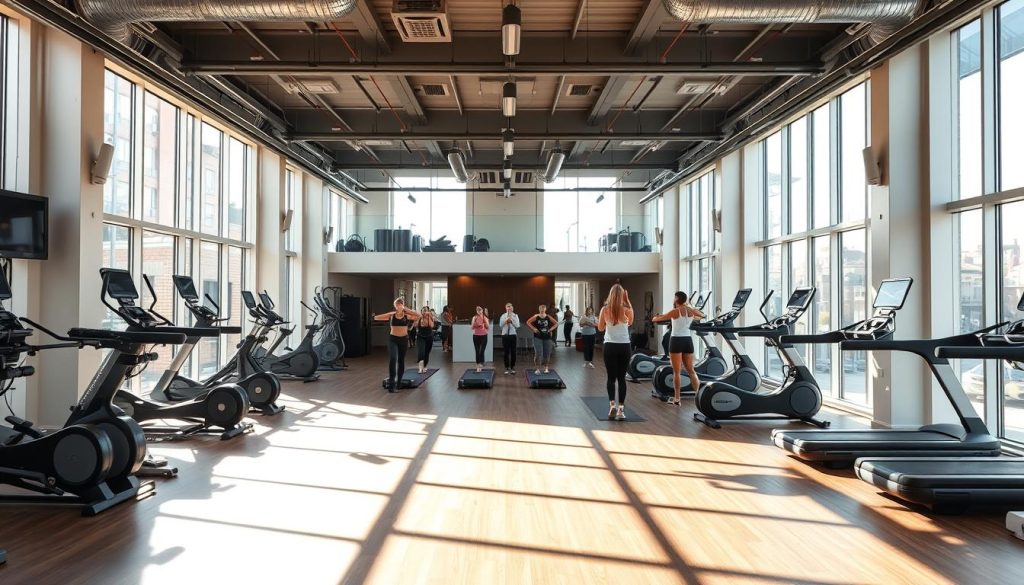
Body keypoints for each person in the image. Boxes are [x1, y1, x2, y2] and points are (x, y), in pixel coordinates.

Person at [652, 291, 705, 405]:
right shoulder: (690, 311)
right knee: (691, 370)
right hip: (688, 341)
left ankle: (677, 399)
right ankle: (700, 396)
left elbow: (656, 319)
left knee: (677, 372)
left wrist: (656, 316)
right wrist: (690, 308)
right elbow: (702, 315)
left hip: (676, 341)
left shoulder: (675, 311)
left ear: (676, 299)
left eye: (674, 297)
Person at [598, 284, 634, 420]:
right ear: (622, 296)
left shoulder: (604, 309)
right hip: (624, 346)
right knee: (622, 379)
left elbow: (601, 328)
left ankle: (612, 405)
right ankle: (621, 410)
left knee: (611, 378)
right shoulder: (627, 309)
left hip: (610, 346)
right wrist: (628, 301)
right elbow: (630, 323)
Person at [373, 298, 422, 392]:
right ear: (395, 306)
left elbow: (419, 316)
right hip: (393, 340)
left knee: (401, 361)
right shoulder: (391, 315)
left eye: (400, 304)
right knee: (393, 359)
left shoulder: (407, 316)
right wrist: (374, 315)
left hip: (403, 340)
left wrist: (407, 309)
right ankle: (391, 385)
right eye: (397, 305)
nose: (399, 306)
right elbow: (376, 318)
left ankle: (399, 384)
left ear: (403, 305)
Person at [527, 305, 555, 374]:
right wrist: (534, 328)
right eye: (541, 309)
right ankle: (537, 369)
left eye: (543, 308)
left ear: (545, 309)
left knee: (547, 353)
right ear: (539, 309)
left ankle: (546, 368)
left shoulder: (548, 317)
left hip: (547, 337)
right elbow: (528, 322)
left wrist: (550, 329)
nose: (542, 310)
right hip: (538, 337)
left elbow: (556, 323)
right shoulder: (536, 316)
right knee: (538, 353)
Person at [498, 302, 521, 375]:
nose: (509, 308)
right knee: (506, 352)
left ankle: (512, 367)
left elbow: (517, 326)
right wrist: (506, 321)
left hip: (513, 335)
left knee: (513, 352)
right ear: (506, 308)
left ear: (512, 308)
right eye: (508, 306)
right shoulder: (503, 316)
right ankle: (507, 368)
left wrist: (512, 321)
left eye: (511, 306)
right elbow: (500, 325)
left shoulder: (515, 315)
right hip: (505, 335)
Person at [415, 304, 436, 374]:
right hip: (420, 337)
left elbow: (432, 326)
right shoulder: (419, 317)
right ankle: (420, 368)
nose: (424, 312)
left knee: (426, 353)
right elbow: (415, 325)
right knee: (421, 352)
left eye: (425, 311)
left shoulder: (429, 317)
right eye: (422, 311)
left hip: (429, 337)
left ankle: (424, 366)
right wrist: (418, 319)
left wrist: (429, 316)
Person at [471, 306, 490, 373]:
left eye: (480, 310)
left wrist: (484, 323)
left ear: (482, 310)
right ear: (476, 311)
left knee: (482, 350)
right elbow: (472, 327)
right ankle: (478, 364)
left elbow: (488, 327)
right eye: (477, 310)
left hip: (484, 336)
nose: (479, 311)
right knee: (477, 350)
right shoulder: (474, 317)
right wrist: (475, 324)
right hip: (476, 336)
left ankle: (481, 362)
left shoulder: (485, 317)